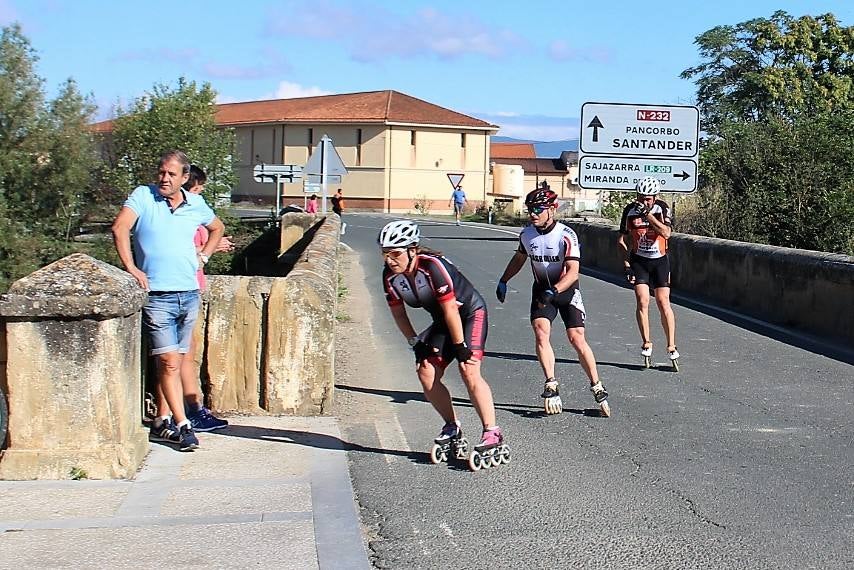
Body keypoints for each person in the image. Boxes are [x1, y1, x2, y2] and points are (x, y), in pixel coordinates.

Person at [112, 150, 225, 451]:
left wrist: (203, 256)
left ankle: (162, 420)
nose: (164, 178)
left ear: (184, 178)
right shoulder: (143, 196)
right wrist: (131, 268)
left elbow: (218, 228)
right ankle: (184, 424)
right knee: (169, 361)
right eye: (161, 172)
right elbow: (120, 227)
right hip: (157, 295)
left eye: (171, 174)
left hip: (188, 293)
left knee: (173, 362)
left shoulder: (196, 203)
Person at [378, 220, 508, 467]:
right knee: (426, 372)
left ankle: (492, 432)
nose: (389, 260)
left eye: (395, 254)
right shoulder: (390, 277)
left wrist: (460, 346)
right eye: (385, 254)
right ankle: (452, 426)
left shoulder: (432, 267)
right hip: (444, 320)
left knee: (468, 370)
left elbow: (451, 308)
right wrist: (415, 342)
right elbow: (399, 313)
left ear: (412, 250)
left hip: (468, 314)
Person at [495, 187, 610, 417]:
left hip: (565, 290)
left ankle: (596, 384)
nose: (533, 214)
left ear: (552, 209)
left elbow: (573, 272)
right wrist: (504, 279)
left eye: (538, 209)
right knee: (540, 332)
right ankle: (551, 382)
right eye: (530, 209)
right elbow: (520, 258)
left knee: (576, 338)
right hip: (541, 290)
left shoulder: (566, 235)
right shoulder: (527, 235)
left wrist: (555, 290)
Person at [178, 165, 233, 431]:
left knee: (185, 351)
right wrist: (207, 249)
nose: (201, 194)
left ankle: (186, 410)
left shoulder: (190, 211)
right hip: (184, 286)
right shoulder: (184, 213)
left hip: (192, 287)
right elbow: (178, 251)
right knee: (184, 353)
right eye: (198, 189)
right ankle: (191, 411)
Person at [617, 176, 680, 370]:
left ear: (655, 197)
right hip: (640, 261)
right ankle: (646, 342)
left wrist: (649, 216)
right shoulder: (629, 211)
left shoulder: (662, 208)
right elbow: (621, 241)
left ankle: (671, 345)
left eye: (648, 198)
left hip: (660, 261)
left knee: (663, 302)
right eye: (641, 198)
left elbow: (667, 233)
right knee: (642, 300)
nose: (644, 202)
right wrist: (627, 265)